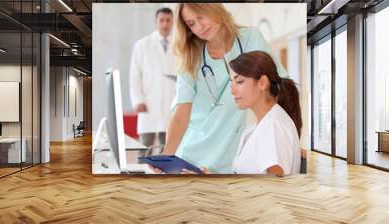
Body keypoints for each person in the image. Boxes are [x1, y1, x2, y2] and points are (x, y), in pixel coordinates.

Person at [163, 3, 287, 173]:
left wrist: (287, 141)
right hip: (193, 154)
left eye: (201, 17)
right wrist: (165, 158)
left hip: (229, 149)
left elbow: (280, 85)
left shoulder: (250, 39)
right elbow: (181, 111)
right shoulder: (190, 55)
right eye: (191, 23)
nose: (199, 27)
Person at [229, 51, 302, 175]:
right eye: (231, 81)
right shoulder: (255, 128)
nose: (232, 90)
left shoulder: (272, 126)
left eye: (239, 81)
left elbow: (276, 188)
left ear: (262, 83)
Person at [129, 8, 176, 157]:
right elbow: (135, 75)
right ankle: (140, 177)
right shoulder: (143, 44)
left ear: (172, 22)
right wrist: (138, 99)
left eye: (168, 20)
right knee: (145, 147)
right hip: (148, 103)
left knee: (167, 147)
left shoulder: (178, 45)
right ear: (156, 22)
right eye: (162, 20)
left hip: (171, 103)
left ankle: (162, 178)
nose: (165, 24)